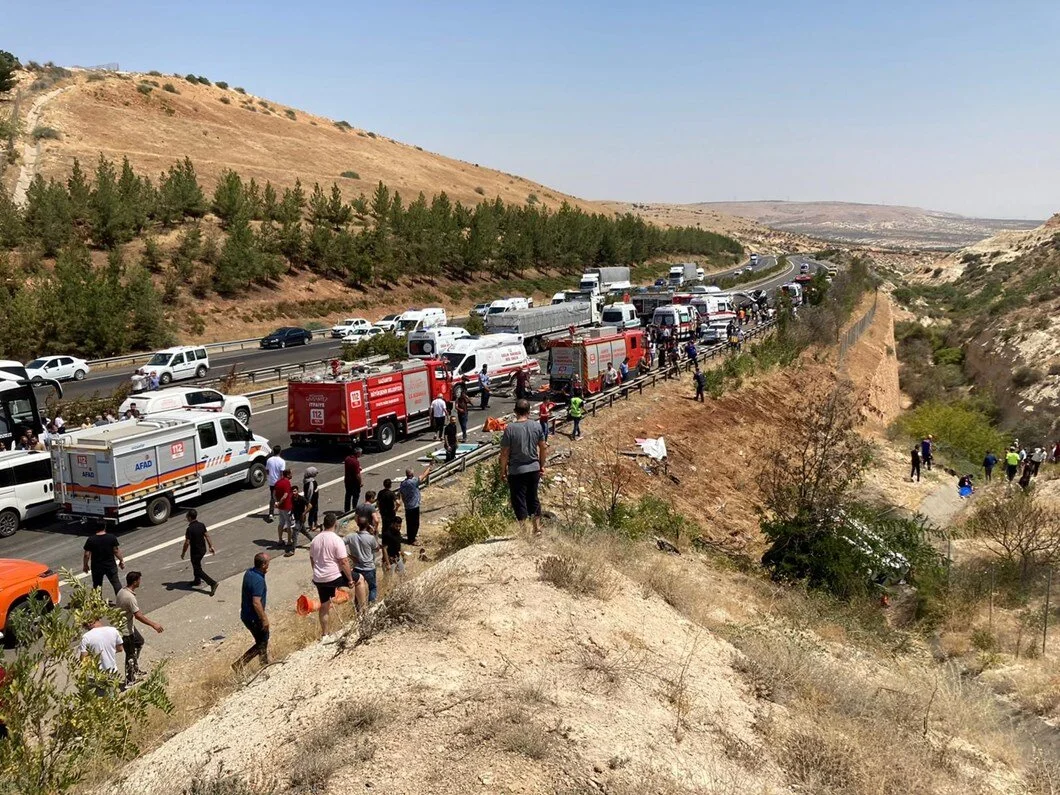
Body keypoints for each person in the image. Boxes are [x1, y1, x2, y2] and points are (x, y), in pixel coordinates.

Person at [500, 399, 547, 534]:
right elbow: (543, 447)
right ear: (529, 411)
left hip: (516, 471)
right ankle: (537, 528)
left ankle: (523, 530)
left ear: (515, 412)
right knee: (533, 497)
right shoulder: (536, 426)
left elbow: (504, 453)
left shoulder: (510, 429)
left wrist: (503, 471)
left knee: (518, 499)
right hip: (533, 468)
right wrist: (541, 465)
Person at [115, 571, 163, 687]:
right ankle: (130, 680)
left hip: (126, 625)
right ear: (135, 581)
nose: (140, 582)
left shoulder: (122, 591)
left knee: (139, 642)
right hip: (126, 630)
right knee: (130, 654)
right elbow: (138, 615)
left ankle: (135, 669)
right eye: (139, 580)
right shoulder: (130, 598)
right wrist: (154, 625)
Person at [309, 513, 355, 635]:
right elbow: (344, 561)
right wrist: (350, 579)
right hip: (333, 576)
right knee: (360, 579)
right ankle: (362, 612)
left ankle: (325, 633)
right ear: (335, 524)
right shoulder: (336, 539)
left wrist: (316, 572)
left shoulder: (315, 540)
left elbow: (312, 559)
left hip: (319, 578)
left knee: (324, 605)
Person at [234, 553, 270, 672]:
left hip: (246, 615)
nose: (268, 565)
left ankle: (262, 663)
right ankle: (244, 664)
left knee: (261, 640)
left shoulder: (249, 573)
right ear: (263, 564)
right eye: (267, 563)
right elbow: (256, 602)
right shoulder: (258, 580)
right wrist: (264, 619)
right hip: (254, 617)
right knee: (262, 640)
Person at [346, 510, 381, 607]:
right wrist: (374, 533)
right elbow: (377, 548)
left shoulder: (351, 537)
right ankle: (371, 607)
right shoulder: (370, 538)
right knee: (372, 588)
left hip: (357, 568)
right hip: (369, 568)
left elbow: (338, 544)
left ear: (358, 524)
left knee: (359, 588)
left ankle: (358, 609)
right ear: (368, 525)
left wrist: (348, 555)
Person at [181, 509, 217, 595]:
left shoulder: (189, 529)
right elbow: (207, 535)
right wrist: (211, 546)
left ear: (189, 517)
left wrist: (183, 553)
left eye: (187, 516)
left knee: (197, 570)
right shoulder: (201, 525)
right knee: (196, 564)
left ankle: (212, 583)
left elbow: (187, 543)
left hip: (195, 551)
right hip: (202, 550)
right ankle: (197, 581)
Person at [83, 523, 125, 598]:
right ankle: (121, 600)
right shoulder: (111, 537)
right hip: (110, 565)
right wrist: (121, 560)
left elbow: (86, 554)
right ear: (105, 527)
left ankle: (98, 603)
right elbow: (116, 551)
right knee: (116, 583)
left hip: (97, 567)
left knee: (97, 585)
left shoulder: (91, 539)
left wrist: (85, 565)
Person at [79, 617, 124, 687]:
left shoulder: (86, 637)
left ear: (89, 623)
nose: (86, 629)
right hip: (112, 671)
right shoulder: (113, 631)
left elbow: (84, 659)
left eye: (85, 626)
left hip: (96, 674)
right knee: (112, 692)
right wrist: (108, 651)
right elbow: (120, 649)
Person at [399, 465, 431, 545]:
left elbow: (401, 494)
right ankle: (412, 539)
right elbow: (422, 476)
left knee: (409, 523)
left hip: (407, 506)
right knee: (415, 523)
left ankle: (411, 538)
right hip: (414, 506)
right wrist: (429, 468)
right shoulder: (413, 482)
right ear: (412, 474)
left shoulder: (403, 484)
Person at [274, 468, 294, 555]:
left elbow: (274, 494)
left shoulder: (278, 482)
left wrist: (276, 502)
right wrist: (280, 502)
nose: (292, 475)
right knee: (289, 524)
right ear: (288, 474)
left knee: (281, 523)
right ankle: (289, 541)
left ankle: (280, 539)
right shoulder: (287, 483)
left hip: (280, 508)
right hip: (286, 506)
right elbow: (285, 495)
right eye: (291, 474)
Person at [289, 484, 314, 551]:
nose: (293, 493)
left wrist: (304, 513)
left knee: (295, 533)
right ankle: (314, 541)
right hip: (296, 518)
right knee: (304, 531)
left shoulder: (301, 499)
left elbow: (310, 506)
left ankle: (292, 550)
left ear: (297, 491)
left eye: (295, 491)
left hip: (301, 519)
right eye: (292, 491)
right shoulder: (292, 499)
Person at [264, 445, 286, 523]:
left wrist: (270, 476)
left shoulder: (269, 460)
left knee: (272, 497)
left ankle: (271, 513)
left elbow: (267, 470)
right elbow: (281, 473)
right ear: (280, 451)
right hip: (279, 482)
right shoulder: (282, 461)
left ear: (273, 451)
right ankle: (285, 511)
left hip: (272, 482)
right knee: (283, 496)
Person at [344, 447, 363, 514]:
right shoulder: (355, 462)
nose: (361, 454)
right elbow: (357, 475)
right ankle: (354, 510)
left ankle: (347, 510)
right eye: (360, 453)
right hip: (354, 482)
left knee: (348, 495)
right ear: (357, 453)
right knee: (355, 496)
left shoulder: (347, 459)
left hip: (347, 481)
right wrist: (360, 482)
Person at [303, 466, 321, 532]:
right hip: (312, 500)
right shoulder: (310, 482)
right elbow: (310, 492)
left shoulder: (309, 480)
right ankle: (311, 525)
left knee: (315, 511)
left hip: (314, 500)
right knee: (312, 512)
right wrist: (309, 502)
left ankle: (316, 522)